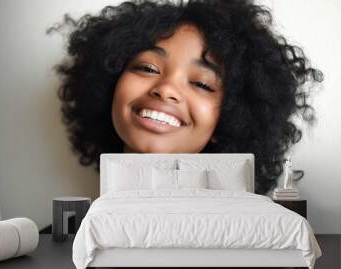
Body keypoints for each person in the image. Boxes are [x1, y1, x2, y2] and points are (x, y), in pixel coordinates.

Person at [50, 0, 323, 195]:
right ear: (110, 86)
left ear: (230, 118)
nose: (166, 89)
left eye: (202, 84)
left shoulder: (245, 252)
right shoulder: (57, 245)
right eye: (147, 68)